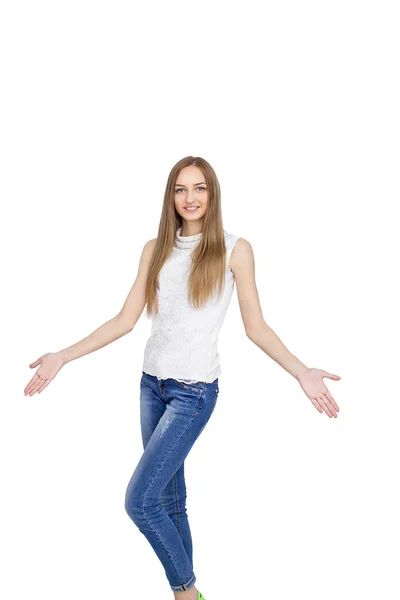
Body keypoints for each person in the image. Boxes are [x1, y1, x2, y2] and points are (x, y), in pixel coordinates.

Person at [24, 155, 341, 599]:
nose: (189, 198)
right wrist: (64, 355)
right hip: (151, 386)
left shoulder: (235, 250)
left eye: (199, 188)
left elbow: (256, 327)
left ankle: (186, 593)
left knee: (140, 502)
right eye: (180, 189)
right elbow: (124, 320)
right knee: (169, 503)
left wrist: (301, 371)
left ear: (212, 194)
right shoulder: (155, 249)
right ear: (170, 196)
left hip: (193, 393)